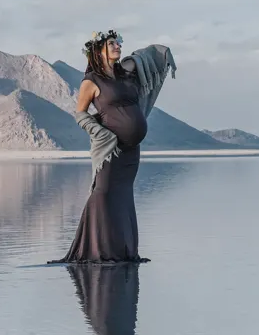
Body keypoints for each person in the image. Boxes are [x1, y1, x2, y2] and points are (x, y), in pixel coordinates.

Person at [51, 30, 176, 264]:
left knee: (124, 196)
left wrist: (161, 52)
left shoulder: (125, 76)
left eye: (118, 43)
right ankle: (98, 251)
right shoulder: (91, 81)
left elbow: (143, 59)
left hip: (131, 150)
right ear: (99, 51)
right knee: (103, 193)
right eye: (111, 44)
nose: (118, 46)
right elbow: (80, 114)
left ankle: (124, 251)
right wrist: (102, 133)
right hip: (111, 149)